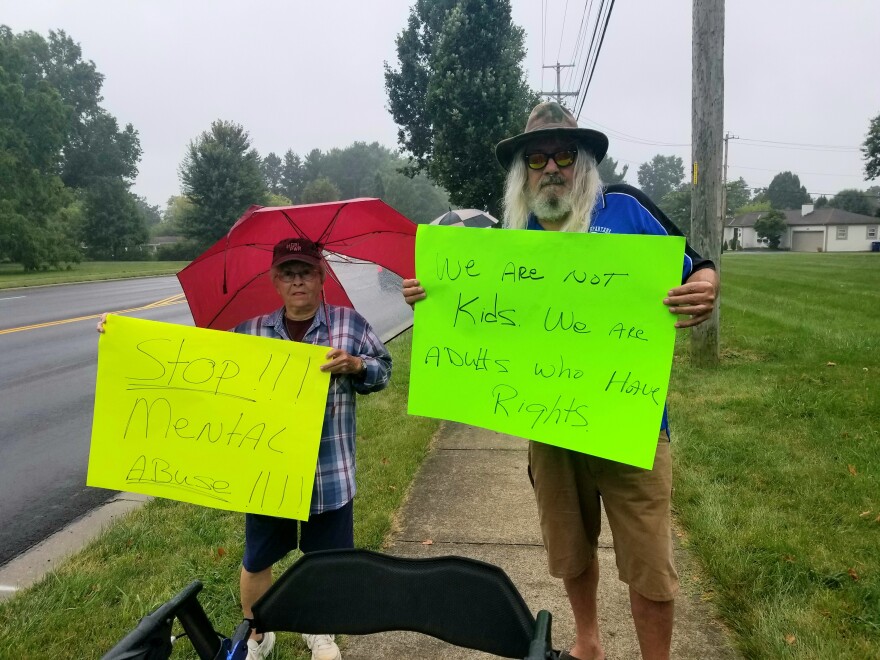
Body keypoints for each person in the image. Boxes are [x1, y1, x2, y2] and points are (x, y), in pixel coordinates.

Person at [402, 102, 717, 660]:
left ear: (584, 161)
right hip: (548, 422)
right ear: (523, 169)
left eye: (564, 155)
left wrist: (708, 282)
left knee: (648, 560)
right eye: (537, 157)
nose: (551, 168)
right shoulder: (508, 234)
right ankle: (589, 642)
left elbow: (697, 263)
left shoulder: (625, 207)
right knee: (570, 549)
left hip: (630, 424)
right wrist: (432, 300)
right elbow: (480, 311)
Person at [99, 237, 391, 660]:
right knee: (257, 558)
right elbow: (200, 371)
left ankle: (320, 631)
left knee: (327, 562)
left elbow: (385, 371)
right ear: (275, 281)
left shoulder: (349, 324)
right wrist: (122, 337)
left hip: (328, 471)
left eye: (306, 272)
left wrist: (358, 365)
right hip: (265, 471)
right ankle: (258, 631)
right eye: (288, 274)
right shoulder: (251, 331)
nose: (297, 282)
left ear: (321, 277)